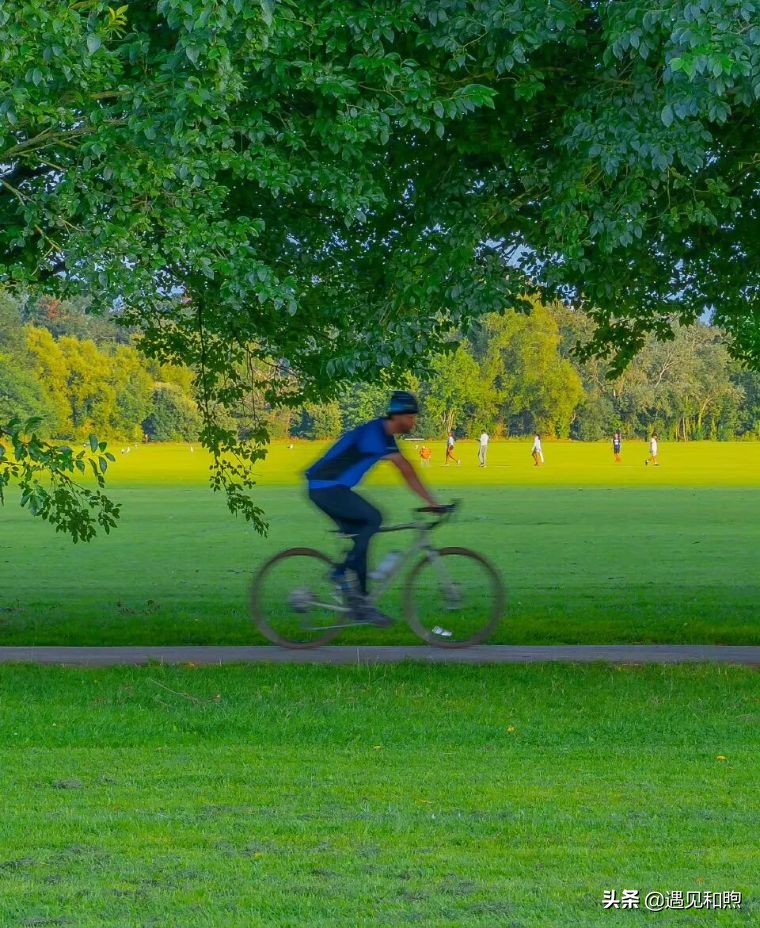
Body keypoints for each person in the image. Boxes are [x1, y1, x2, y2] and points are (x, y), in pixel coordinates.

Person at [306, 391, 445, 626]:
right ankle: (340, 573)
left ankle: (362, 606)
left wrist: (430, 501)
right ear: (398, 415)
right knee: (373, 518)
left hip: (331, 488)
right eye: (411, 417)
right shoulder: (375, 434)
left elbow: (405, 468)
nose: (413, 422)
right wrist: (432, 502)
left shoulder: (385, 436)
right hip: (326, 487)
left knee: (363, 538)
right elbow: (404, 468)